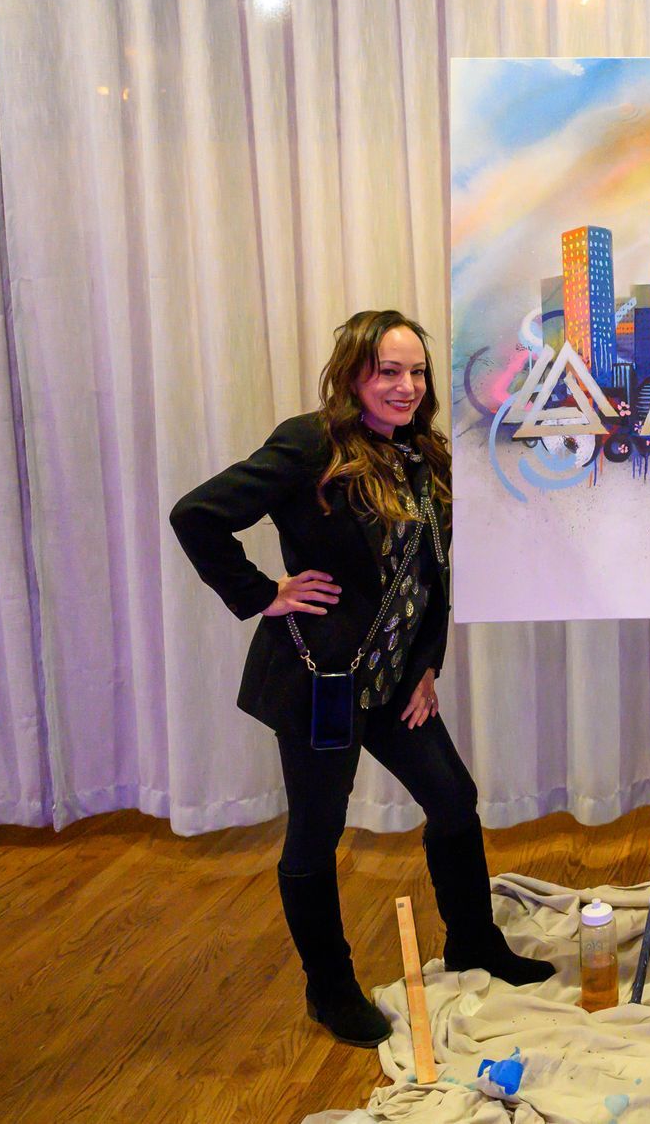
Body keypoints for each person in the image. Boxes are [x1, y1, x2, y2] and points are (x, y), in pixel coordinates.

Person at [170, 309, 551, 1048]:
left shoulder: (427, 454)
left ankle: (473, 942)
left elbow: (439, 573)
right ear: (354, 375)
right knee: (317, 833)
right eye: (388, 371)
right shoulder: (309, 444)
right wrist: (262, 592)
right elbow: (198, 514)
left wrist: (428, 663)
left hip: (396, 680)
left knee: (453, 797)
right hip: (323, 683)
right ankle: (330, 988)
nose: (406, 386)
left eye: (416, 373)